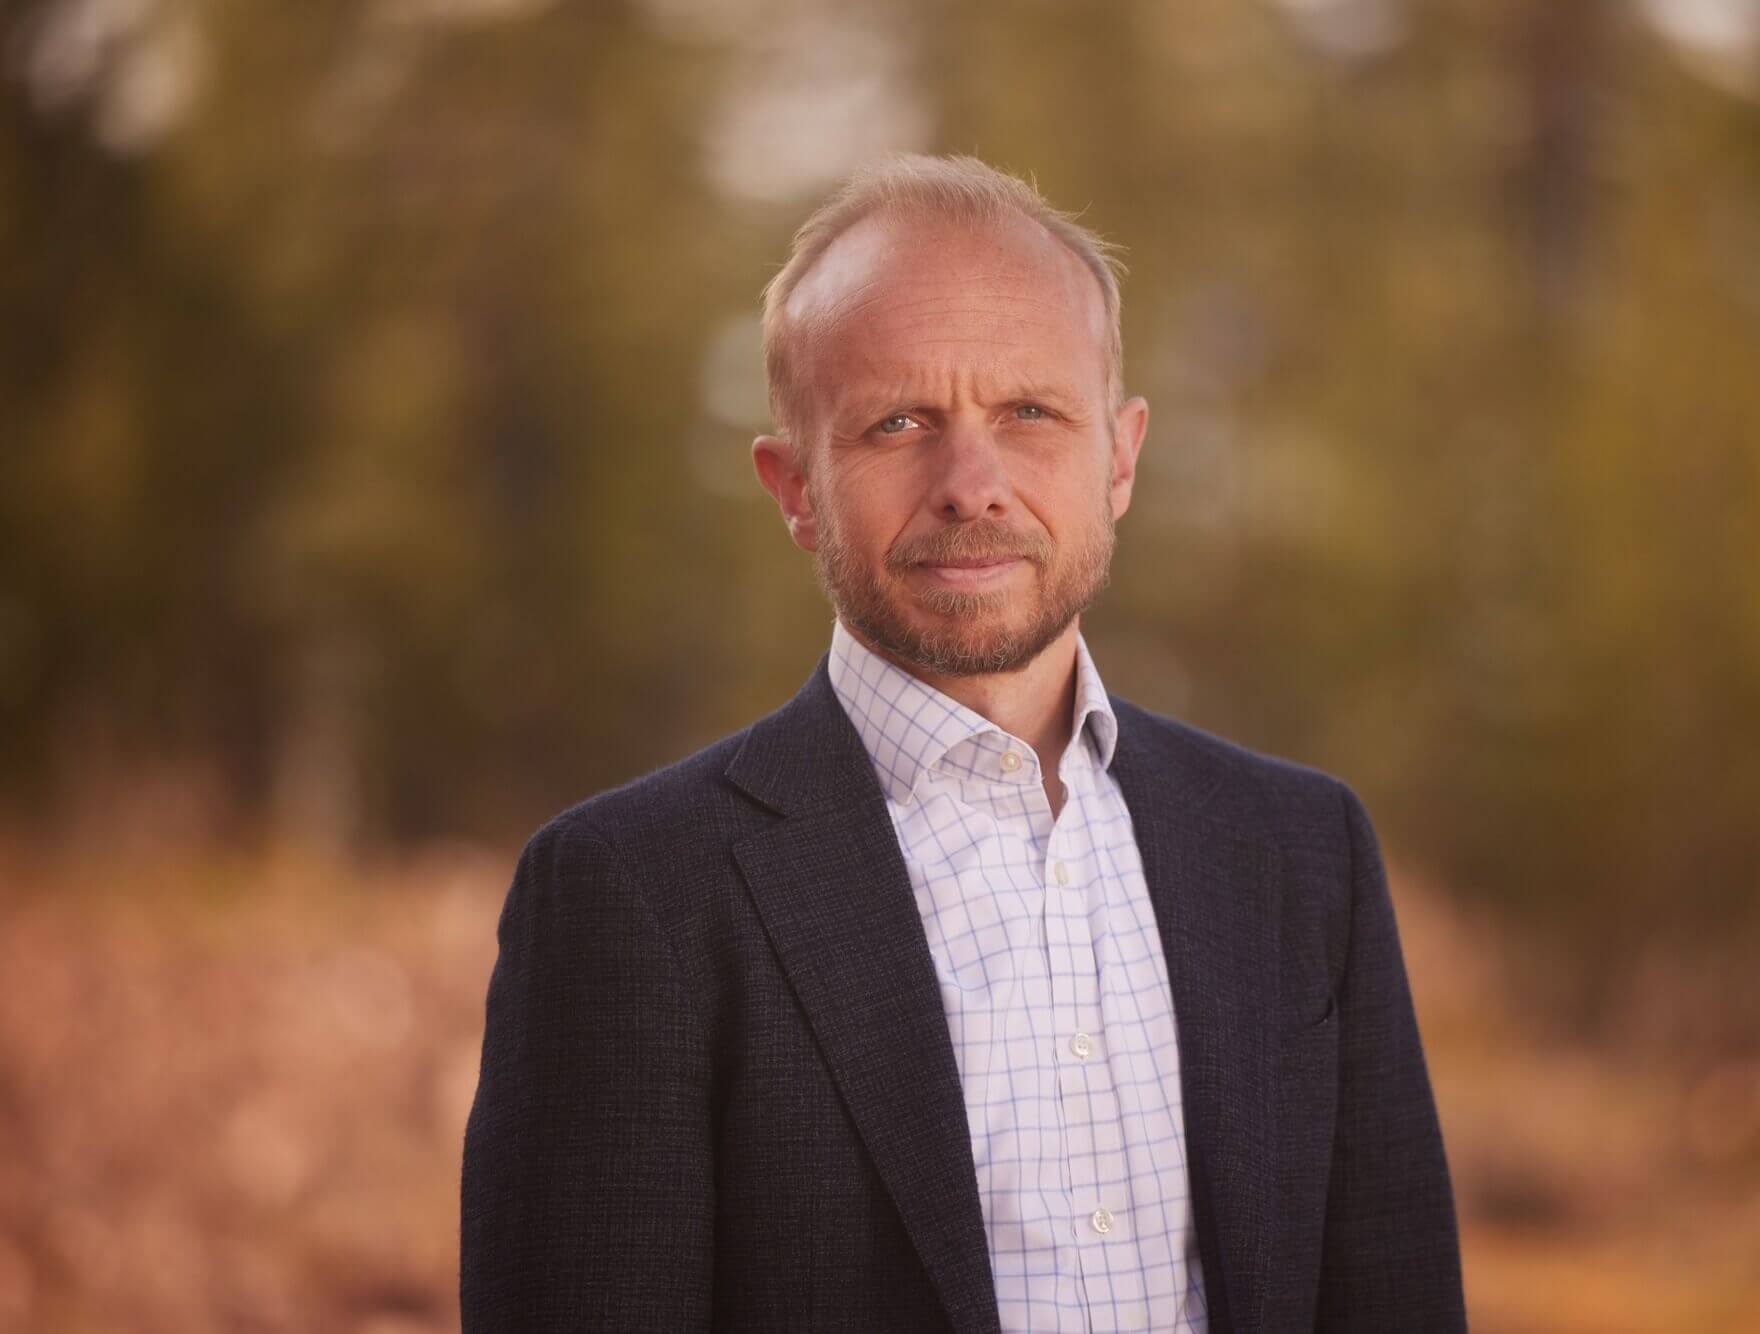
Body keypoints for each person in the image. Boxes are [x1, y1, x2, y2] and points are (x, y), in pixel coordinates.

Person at [460, 153, 1465, 1333]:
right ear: (794, 487)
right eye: (896, 423)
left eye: (1029, 413)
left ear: (1122, 456)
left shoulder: (1301, 853)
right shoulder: (630, 893)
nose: (969, 484)